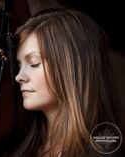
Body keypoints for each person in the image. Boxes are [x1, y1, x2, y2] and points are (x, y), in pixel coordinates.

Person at [14, 9, 121, 157]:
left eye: (34, 63)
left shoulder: (100, 150)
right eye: (19, 65)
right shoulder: (17, 148)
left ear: (72, 68)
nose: (19, 76)